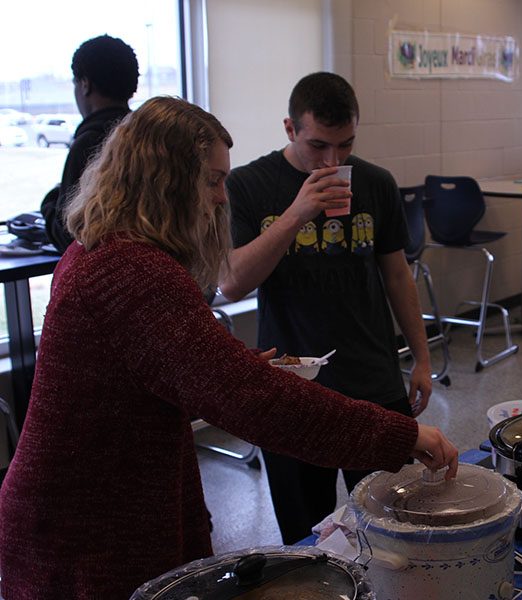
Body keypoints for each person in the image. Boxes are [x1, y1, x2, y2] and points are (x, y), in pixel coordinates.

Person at [0, 97, 458, 600]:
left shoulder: (107, 252)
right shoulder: (133, 272)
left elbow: (177, 371)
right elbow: (257, 403)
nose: (222, 198)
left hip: (98, 511)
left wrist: (229, 369)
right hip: (87, 531)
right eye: (213, 181)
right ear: (168, 181)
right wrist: (400, 435)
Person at [219, 71, 434, 544]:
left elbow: (397, 275)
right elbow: (232, 282)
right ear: (289, 129)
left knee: (394, 527)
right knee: (306, 537)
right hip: (293, 383)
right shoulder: (248, 185)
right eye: (318, 146)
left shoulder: (375, 182)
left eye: (345, 145)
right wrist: (299, 212)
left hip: (372, 378)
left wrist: (420, 358)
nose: (333, 161)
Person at [40, 34, 139, 253]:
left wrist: (49, 204)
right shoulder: (149, 138)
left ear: (85, 85)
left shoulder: (89, 144)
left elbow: (71, 234)